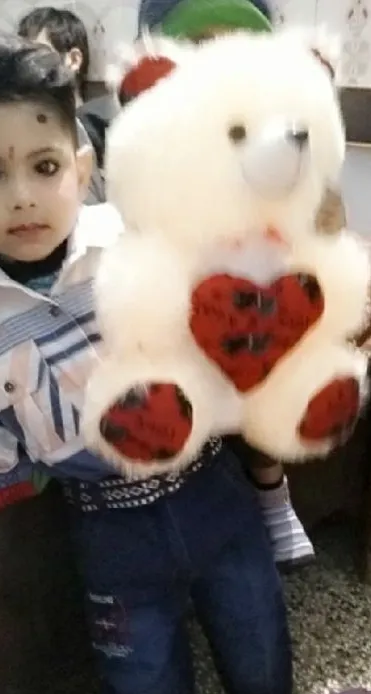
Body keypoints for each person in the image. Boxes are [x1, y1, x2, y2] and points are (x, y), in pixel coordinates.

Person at [0, 30, 297, 694]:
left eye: (43, 167)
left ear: (80, 165)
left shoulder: (138, 238)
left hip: (210, 493)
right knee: (139, 686)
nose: (21, 197)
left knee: (260, 653)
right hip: (108, 527)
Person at [136, 0, 346, 570]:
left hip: (262, 313)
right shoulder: (149, 146)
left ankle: (272, 494)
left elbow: (326, 232)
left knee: (264, 345)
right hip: (180, 316)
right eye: (201, 49)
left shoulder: (284, 146)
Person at [18, 5, 106, 203]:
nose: (26, 66)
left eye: (37, 54)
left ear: (73, 60)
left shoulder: (101, 121)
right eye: (21, 56)